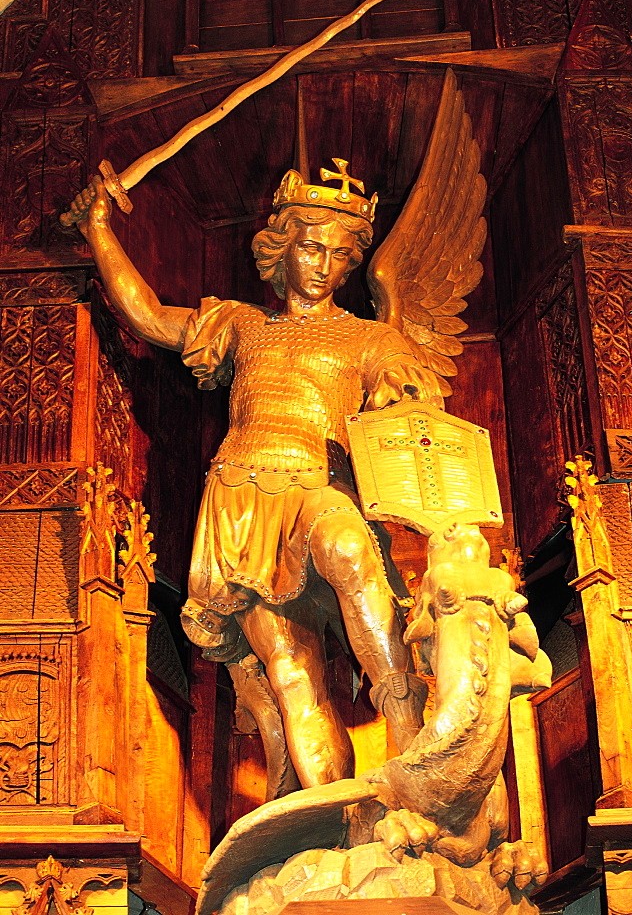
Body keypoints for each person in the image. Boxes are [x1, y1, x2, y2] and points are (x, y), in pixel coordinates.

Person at [70, 163, 443, 788]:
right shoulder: (243, 326)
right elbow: (150, 316)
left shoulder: (371, 339)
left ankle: (414, 764)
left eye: (339, 253)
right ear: (283, 248)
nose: (324, 265)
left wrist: (403, 397)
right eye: (310, 247)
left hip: (319, 484)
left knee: (348, 547)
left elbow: (412, 396)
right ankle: (330, 818)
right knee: (293, 673)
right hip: (243, 497)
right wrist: (98, 229)